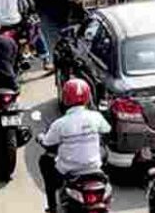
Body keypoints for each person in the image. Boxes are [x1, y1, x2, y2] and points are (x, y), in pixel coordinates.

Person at [39, 78, 111, 213]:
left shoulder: (60, 124)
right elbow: (107, 130)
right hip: (94, 170)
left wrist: (41, 138)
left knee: (45, 161)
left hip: (68, 173)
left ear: (65, 98)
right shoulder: (96, 117)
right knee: (103, 151)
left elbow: (47, 143)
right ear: (88, 97)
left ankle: (52, 206)